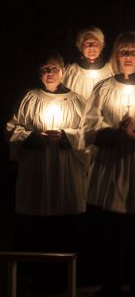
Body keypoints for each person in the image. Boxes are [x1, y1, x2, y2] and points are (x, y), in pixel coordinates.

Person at [81, 32, 135, 296]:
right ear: (116, 57)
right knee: (111, 230)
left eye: (132, 52)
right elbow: (90, 123)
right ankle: (111, 283)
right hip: (112, 164)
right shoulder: (104, 88)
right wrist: (114, 133)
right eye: (123, 52)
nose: (128, 57)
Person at [6, 51, 87, 291]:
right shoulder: (29, 98)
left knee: (65, 227)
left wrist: (66, 136)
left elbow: (88, 133)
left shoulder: (77, 101)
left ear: (63, 71)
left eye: (53, 69)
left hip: (66, 172)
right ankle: (35, 278)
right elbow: (12, 129)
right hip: (37, 172)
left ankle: (65, 278)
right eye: (44, 69)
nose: (49, 74)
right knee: (35, 227)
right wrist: (32, 137)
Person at [62, 27, 114, 100]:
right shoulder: (71, 71)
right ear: (80, 46)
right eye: (87, 43)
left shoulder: (110, 70)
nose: (91, 47)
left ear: (101, 46)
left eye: (95, 42)